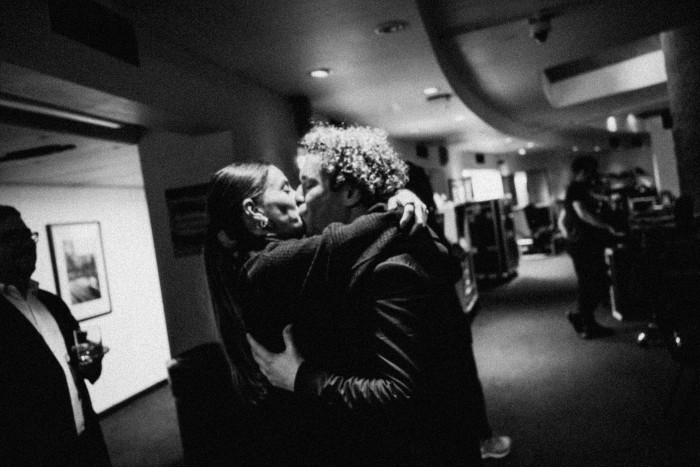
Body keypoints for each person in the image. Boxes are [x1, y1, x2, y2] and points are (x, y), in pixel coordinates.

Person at [245, 123, 483, 465]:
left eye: (308, 184)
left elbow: (401, 394)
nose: (298, 196)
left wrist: (301, 378)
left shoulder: (391, 269)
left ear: (351, 193)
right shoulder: (363, 252)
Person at [204, 154, 428, 465]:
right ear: (253, 212)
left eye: (303, 185)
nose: (296, 194)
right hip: (307, 431)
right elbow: (337, 244)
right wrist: (401, 211)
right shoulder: (265, 267)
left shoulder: (266, 261)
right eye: (285, 188)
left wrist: (398, 198)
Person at [404, 160, 512, 459]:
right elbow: (447, 268)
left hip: (432, 323)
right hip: (442, 319)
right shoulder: (416, 221)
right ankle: (482, 440)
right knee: (461, 382)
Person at [0, 205, 111, 466]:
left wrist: (92, 361)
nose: (27, 244)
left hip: (86, 444)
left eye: (28, 236)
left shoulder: (52, 303)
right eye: (13, 238)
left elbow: (84, 365)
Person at [563, 156, 621, 339]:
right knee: (591, 283)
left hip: (586, 243)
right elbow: (583, 214)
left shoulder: (580, 189)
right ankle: (587, 325)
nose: (593, 174)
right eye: (590, 170)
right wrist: (605, 226)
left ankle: (582, 318)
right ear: (582, 171)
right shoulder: (575, 189)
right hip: (582, 244)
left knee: (596, 282)